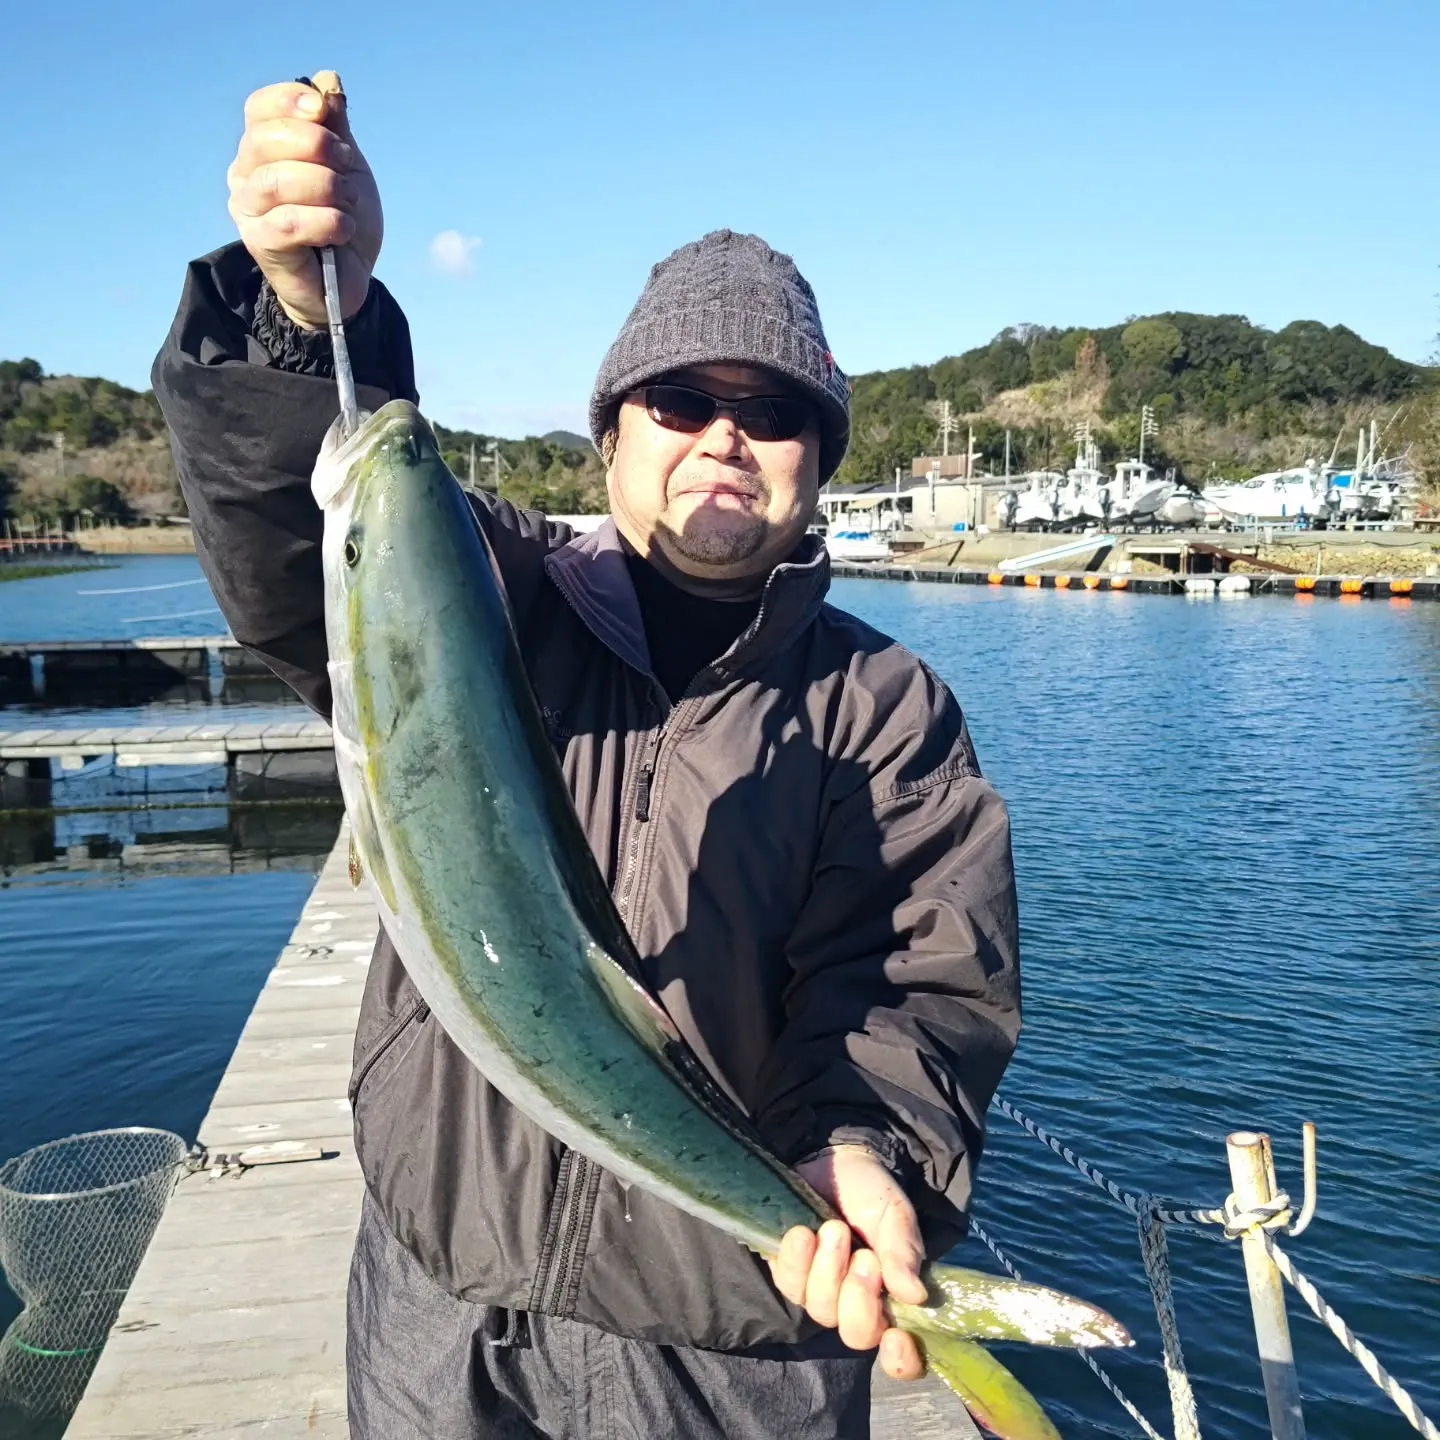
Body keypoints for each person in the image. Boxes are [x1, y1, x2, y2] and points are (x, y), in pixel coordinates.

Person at [154, 71, 1022, 1440]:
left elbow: (918, 979)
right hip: (437, 1312)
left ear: (817, 462)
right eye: (678, 399)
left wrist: (864, 1148)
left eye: (771, 408)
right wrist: (306, 315)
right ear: (610, 434)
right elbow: (287, 545)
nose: (723, 431)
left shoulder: (886, 706)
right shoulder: (498, 591)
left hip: (733, 1352)